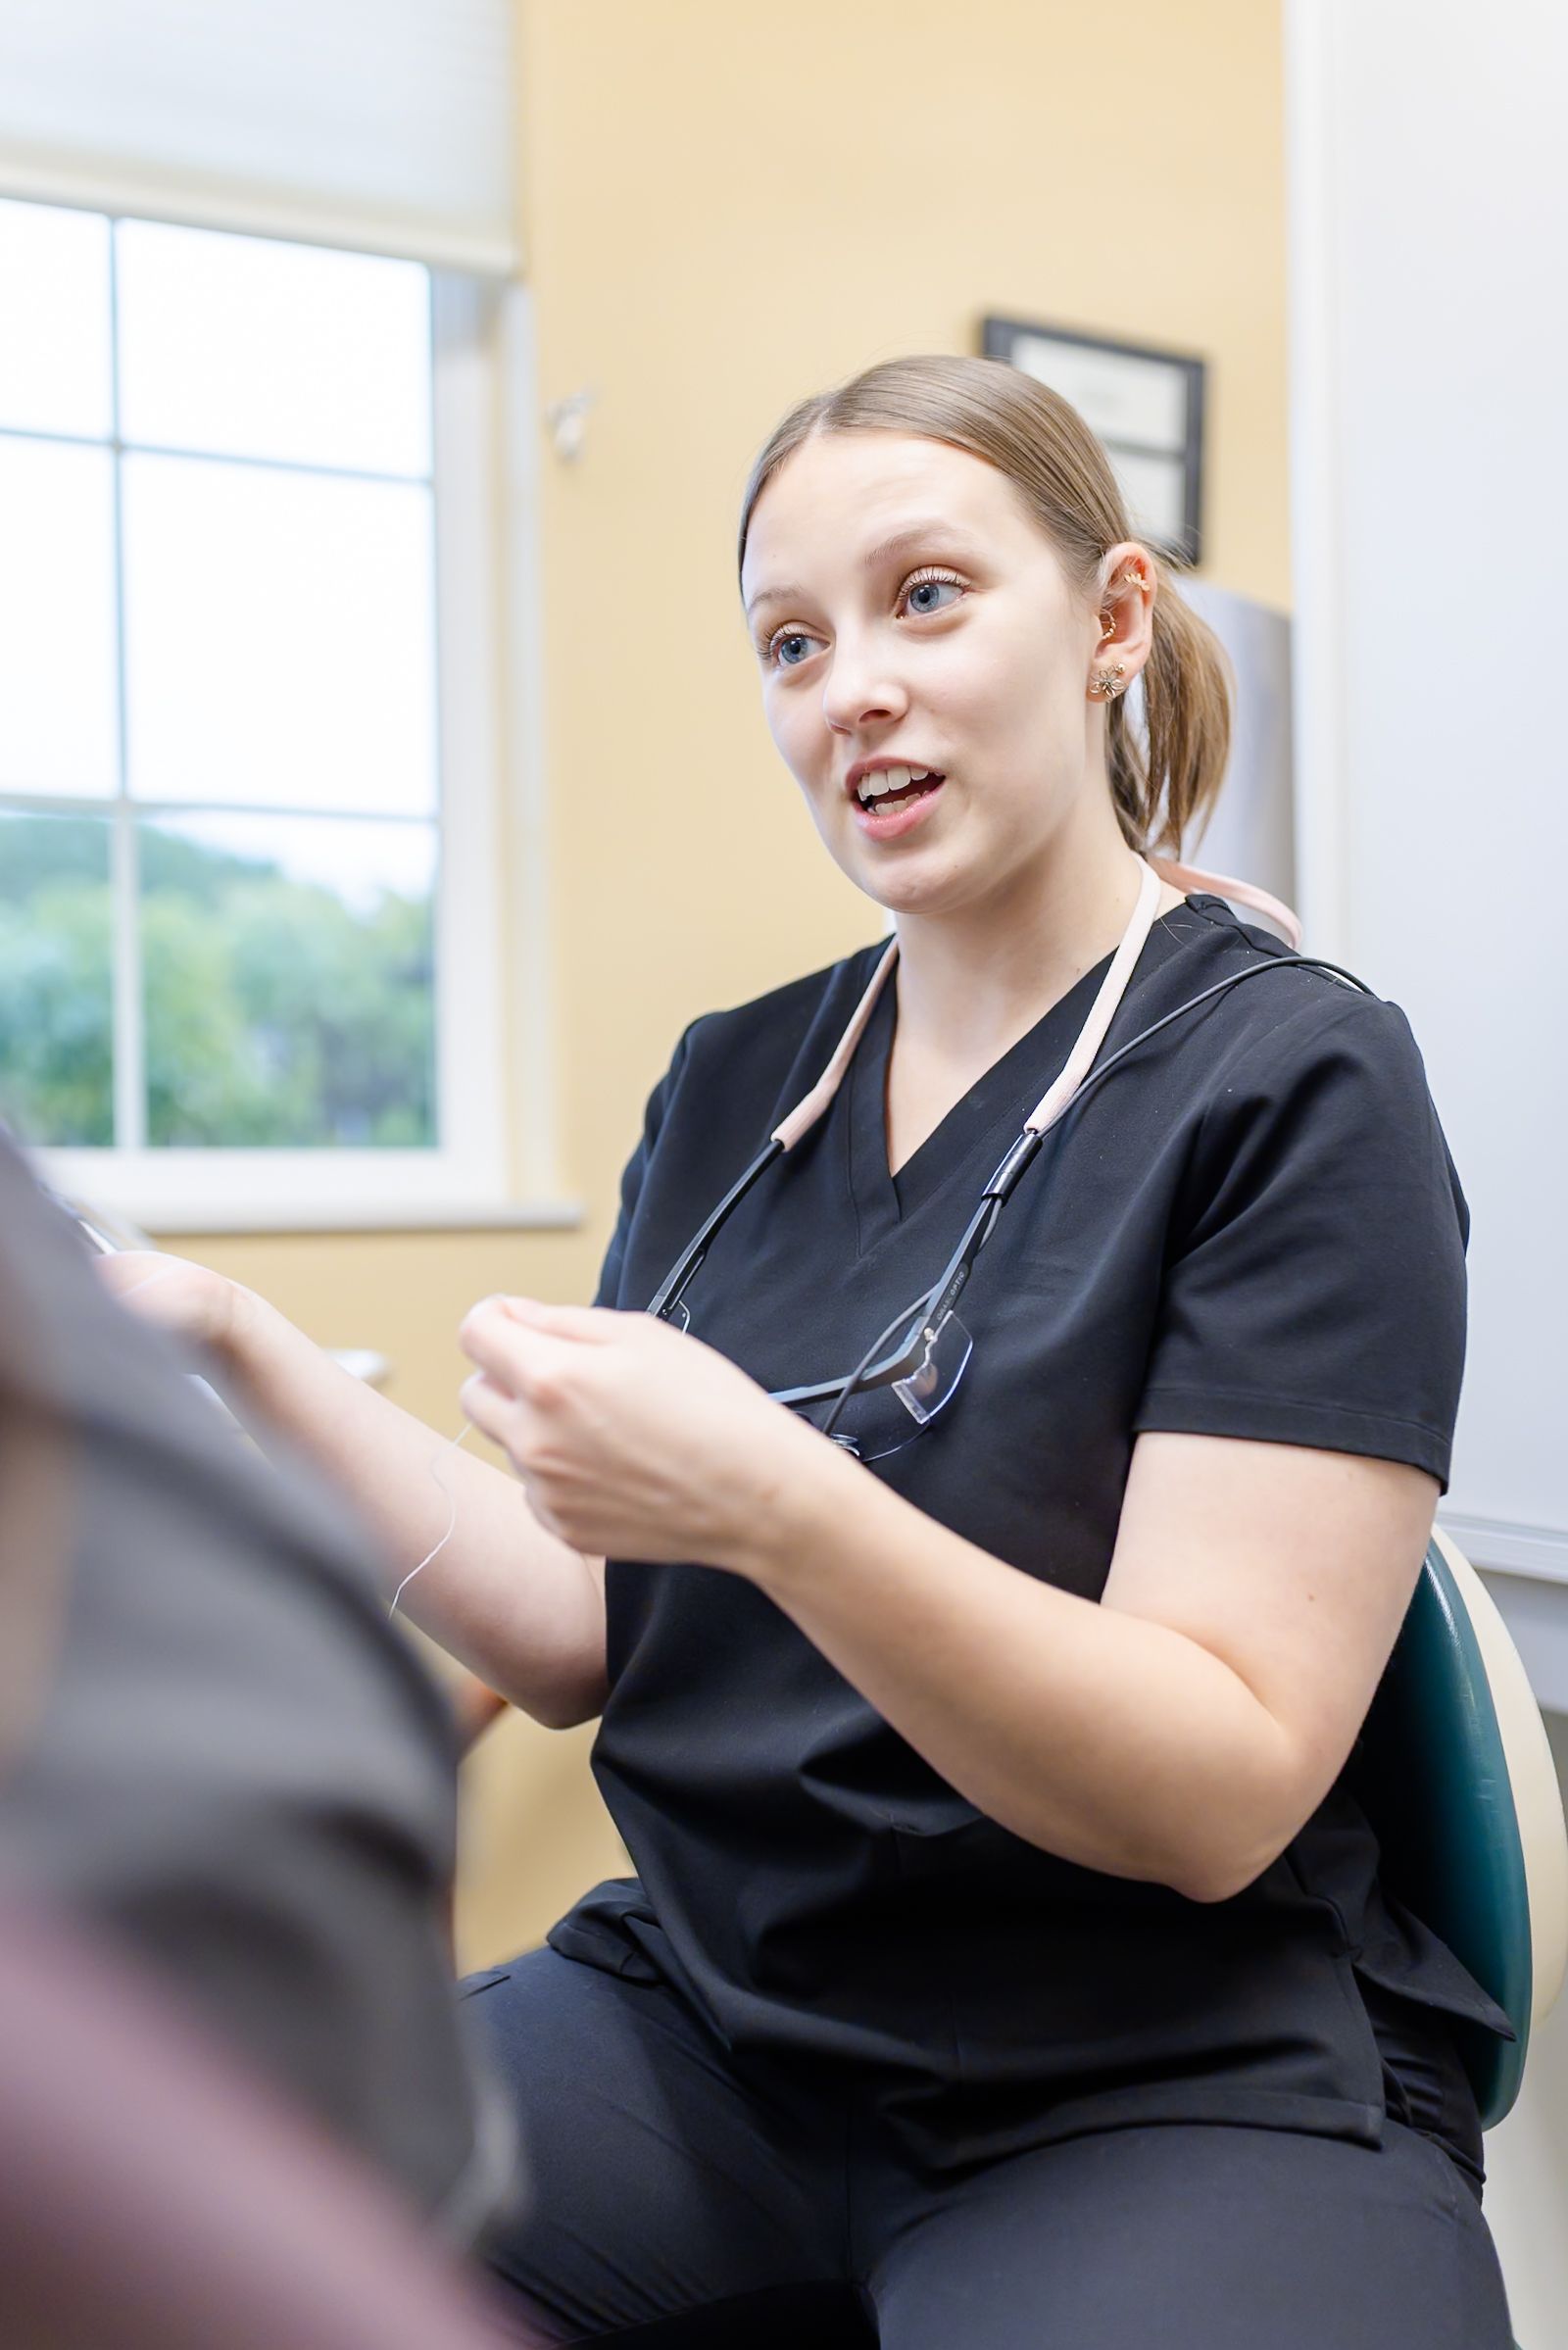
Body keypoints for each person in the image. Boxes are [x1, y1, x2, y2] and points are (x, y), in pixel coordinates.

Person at [105, 355, 1516, 2346]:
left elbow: (1213, 1784)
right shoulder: (735, 1081)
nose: (847, 683)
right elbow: (583, 1623)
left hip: (1155, 2058)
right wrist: (233, 1343)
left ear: (1109, 621)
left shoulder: (1288, 1076)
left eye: (924, 596)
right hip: (716, 2009)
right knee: (162, 2241)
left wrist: (770, 1498)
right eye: (790, 638)